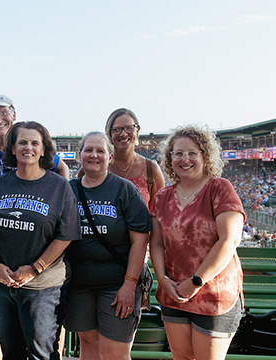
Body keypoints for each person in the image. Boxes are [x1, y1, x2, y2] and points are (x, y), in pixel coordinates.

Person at [0, 121, 81, 359]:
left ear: (43, 149)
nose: (28, 147)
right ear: (13, 148)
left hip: (43, 287)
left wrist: (35, 268)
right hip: (2, 283)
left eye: (34, 143)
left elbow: (66, 234)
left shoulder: (59, 186)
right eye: (22, 142)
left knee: (42, 353)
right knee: (11, 352)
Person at [150, 125, 245, 360]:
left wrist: (195, 281)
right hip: (174, 293)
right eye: (178, 153)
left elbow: (229, 240)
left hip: (214, 295)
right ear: (170, 158)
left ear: (205, 156)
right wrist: (162, 280)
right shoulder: (162, 196)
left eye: (193, 153)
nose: (185, 159)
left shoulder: (219, 188)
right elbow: (157, 243)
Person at [64, 132, 151, 360]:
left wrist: (129, 285)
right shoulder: (68, 190)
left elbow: (140, 241)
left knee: (115, 352)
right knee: (88, 344)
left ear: (110, 157)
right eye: (89, 150)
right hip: (79, 284)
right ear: (80, 155)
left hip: (117, 285)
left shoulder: (124, 190)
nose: (94, 155)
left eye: (100, 151)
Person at [0, 94, 70, 185]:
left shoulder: (30, 148)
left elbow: (62, 168)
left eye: (4, 113)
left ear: (14, 115)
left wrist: (60, 197)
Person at [104, 108, 164, 210]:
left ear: (137, 131)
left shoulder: (151, 169)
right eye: (117, 129)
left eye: (129, 128)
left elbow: (159, 213)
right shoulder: (99, 166)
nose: (123, 134)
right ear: (109, 133)